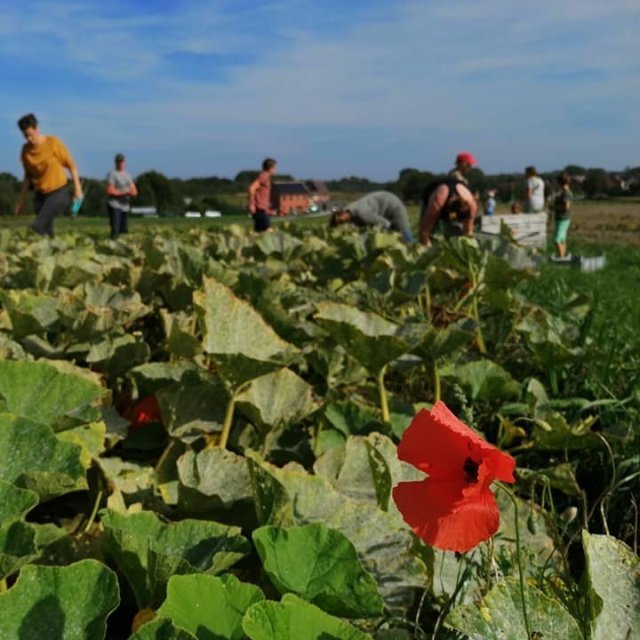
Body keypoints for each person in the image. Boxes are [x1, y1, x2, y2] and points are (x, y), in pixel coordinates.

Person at [15, 113, 83, 237]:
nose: (29, 139)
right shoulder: (25, 151)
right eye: (25, 136)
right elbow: (27, 178)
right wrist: (21, 201)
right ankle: (56, 253)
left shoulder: (53, 143)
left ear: (37, 128)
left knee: (38, 227)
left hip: (59, 193)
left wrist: (78, 189)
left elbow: (72, 166)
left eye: (31, 135)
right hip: (40, 196)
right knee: (46, 233)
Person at [329, 191, 414, 242]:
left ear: (342, 213)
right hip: (382, 209)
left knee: (405, 236)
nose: (343, 224)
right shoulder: (350, 211)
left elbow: (385, 224)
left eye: (341, 221)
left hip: (394, 208)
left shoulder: (362, 213)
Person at [419, 177, 478, 246]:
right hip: (431, 196)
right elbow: (424, 232)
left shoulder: (472, 206)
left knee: (454, 233)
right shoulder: (437, 203)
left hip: (452, 204)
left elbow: (468, 231)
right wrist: (427, 246)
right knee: (431, 231)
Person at [106, 153, 138, 239]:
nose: (121, 163)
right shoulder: (113, 174)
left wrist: (132, 193)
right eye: (119, 162)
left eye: (122, 161)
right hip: (115, 205)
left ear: (124, 162)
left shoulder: (128, 175)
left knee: (124, 229)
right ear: (116, 163)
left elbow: (134, 189)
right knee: (115, 229)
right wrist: (123, 193)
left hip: (125, 206)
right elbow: (110, 190)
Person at [247, 158, 277, 232]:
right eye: (275, 167)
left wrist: (268, 210)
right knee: (269, 232)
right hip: (259, 210)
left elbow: (261, 195)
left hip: (262, 210)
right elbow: (251, 188)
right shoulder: (264, 177)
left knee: (258, 233)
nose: (276, 169)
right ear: (271, 168)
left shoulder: (265, 177)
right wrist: (251, 204)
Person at [551, 172, 573, 258]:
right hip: (562, 219)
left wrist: (554, 207)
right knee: (562, 239)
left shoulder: (566, 193)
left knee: (556, 239)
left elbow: (566, 207)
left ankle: (560, 258)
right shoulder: (563, 192)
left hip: (562, 219)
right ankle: (563, 256)